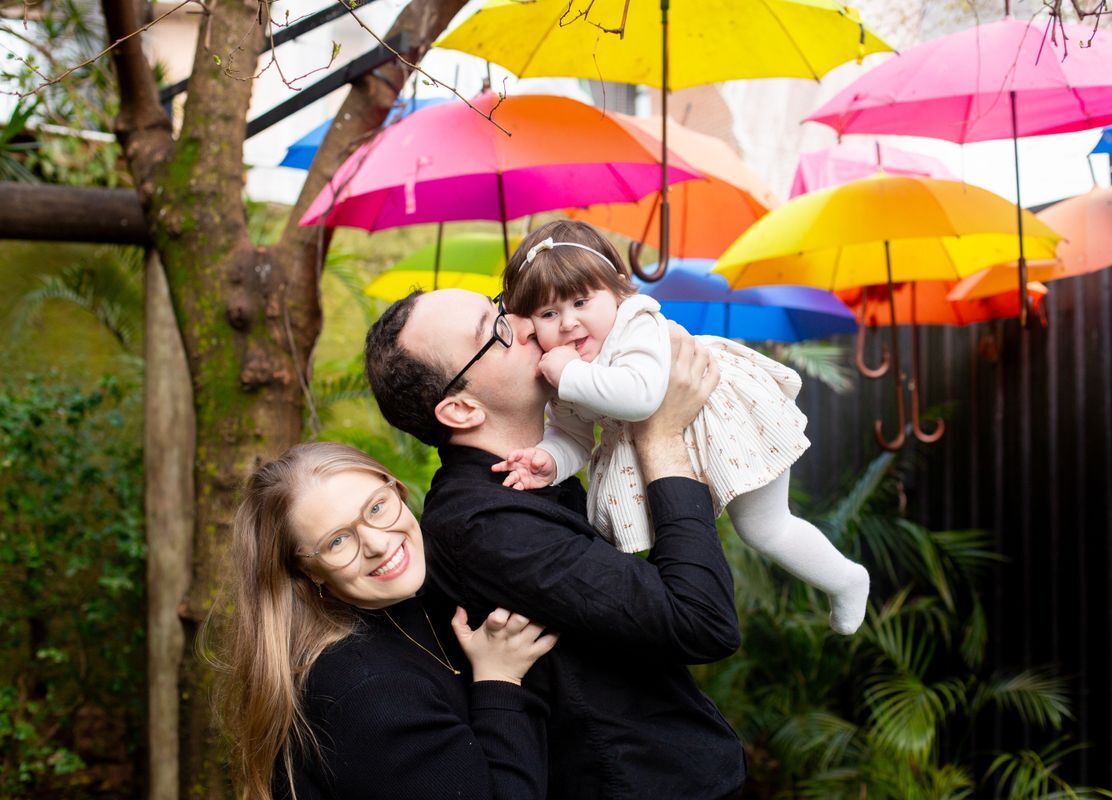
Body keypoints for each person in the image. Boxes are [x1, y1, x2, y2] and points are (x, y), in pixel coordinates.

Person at [365, 293, 746, 799]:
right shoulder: (484, 525)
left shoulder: (534, 470)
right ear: (461, 409)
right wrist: (661, 436)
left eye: (500, 304)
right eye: (495, 329)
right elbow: (701, 621)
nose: (527, 323)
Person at [496, 219, 870, 635]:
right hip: (668, 442)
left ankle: (847, 579)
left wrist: (568, 375)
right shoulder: (565, 367)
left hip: (725, 416)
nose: (567, 323)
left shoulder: (635, 323)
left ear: (618, 291)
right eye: (549, 313)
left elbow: (640, 396)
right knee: (666, 541)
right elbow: (572, 434)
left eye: (581, 302)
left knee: (765, 527)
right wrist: (550, 458)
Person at [208, 441, 558, 800]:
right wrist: (499, 680)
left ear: (398, 490)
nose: (376, 543)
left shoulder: (426, 600)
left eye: (377, 507)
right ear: (308, 571)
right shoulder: (366, 691)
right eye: (338, 541)